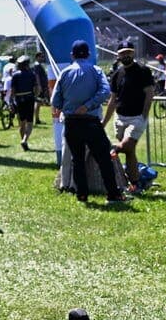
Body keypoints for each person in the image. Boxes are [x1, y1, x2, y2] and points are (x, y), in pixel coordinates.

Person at [51, 39, 124, 204]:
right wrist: (88, 105)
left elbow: (55, 100)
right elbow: (105, 91)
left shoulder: (64, 73)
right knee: (104, 158)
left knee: (77, 159)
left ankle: (82, 194)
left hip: (71, 122)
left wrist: (67, 106)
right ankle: (113, 194)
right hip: (90, 121)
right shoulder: (96, 70)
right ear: (89, 54)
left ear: (72, 55)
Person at [101, 45, 155, 189]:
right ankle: (135, 184)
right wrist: (104, 122)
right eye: (122, 53)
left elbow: (149, 93)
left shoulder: (143, 71)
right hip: (120, 117)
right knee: (130, 152)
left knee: (125, 146)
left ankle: (104, 149)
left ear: (133, 53)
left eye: (128, 53)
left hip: (137, 117)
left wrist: (144, 114)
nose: (126, 55)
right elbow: (112, 100)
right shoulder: (116, 74)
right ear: (118, 55)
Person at [8, 55, 39, 151]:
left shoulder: (15, 75)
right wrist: (36, 96)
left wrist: (11, 101)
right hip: (29, 98)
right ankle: (25, 140)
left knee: (22, 122)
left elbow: (13, 90)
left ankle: (23, 141)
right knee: (30, 122)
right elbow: (36, 88)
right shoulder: (32, 74)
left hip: (19, 99)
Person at [33, 50, 50, 125]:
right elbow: (37, 76)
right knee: (38, 102)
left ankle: (37, 118)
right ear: (37, 57)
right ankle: (36, 119)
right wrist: (39, 86)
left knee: (39, 103)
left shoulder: (39, 65)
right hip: (40, 86)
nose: (42, 58)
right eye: (41, 57)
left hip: (42, 86)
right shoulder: (37, 65)